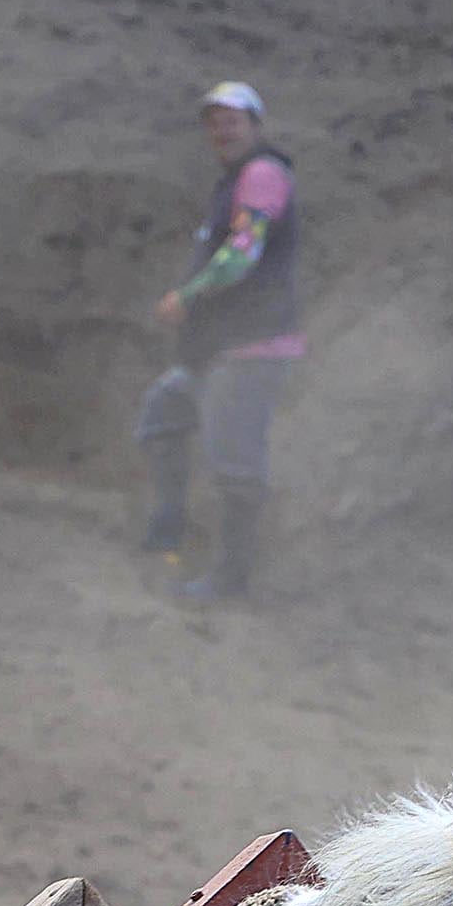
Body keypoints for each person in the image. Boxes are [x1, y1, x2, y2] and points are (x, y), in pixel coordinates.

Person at [136, 78, 308, 602]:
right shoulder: (233, 182)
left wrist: (187, 296)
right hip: (217, 347)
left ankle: (231, 578)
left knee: (235, 463)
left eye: (232, 121)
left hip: (252, 346)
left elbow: (241, 255)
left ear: (255, 125)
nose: (222, 131)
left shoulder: (262, 174)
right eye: (214, 123)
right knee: (161, 416)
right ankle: (170, 526)